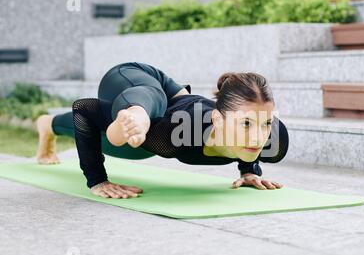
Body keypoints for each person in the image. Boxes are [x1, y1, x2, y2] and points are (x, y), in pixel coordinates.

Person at [35, 62, 289, 199]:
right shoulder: (174, 133)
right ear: (218, 120)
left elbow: (255, 127)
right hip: (133, 78)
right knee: (135, 132)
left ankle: (142, 115)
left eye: (266, 123)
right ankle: (48, 124)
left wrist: (248, 171)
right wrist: (97, 180)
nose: (258, 137)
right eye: (246, 124)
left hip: (177, 98)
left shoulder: (273, 140)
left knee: (141, 148)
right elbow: (84, 108)